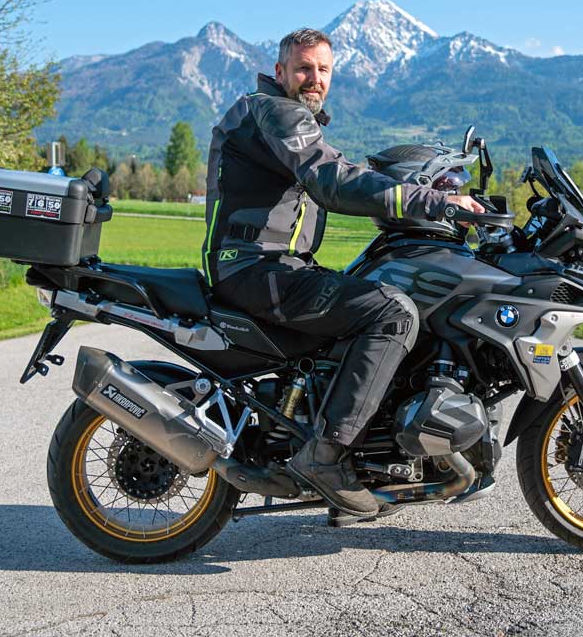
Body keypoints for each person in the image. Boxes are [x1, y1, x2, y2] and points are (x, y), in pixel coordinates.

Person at [203, 28, 484, 517]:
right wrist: (438, 201)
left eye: (323, 69)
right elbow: (331, 179)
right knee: (393, 313)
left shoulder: (283, 115)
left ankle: (371, 468)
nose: (314, 78)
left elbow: (335, 168)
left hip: (268, 267)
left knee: (371, 297)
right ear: (280, 72)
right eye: (304, 68)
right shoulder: (276, 111)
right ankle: (326, 457)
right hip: (257, 269)